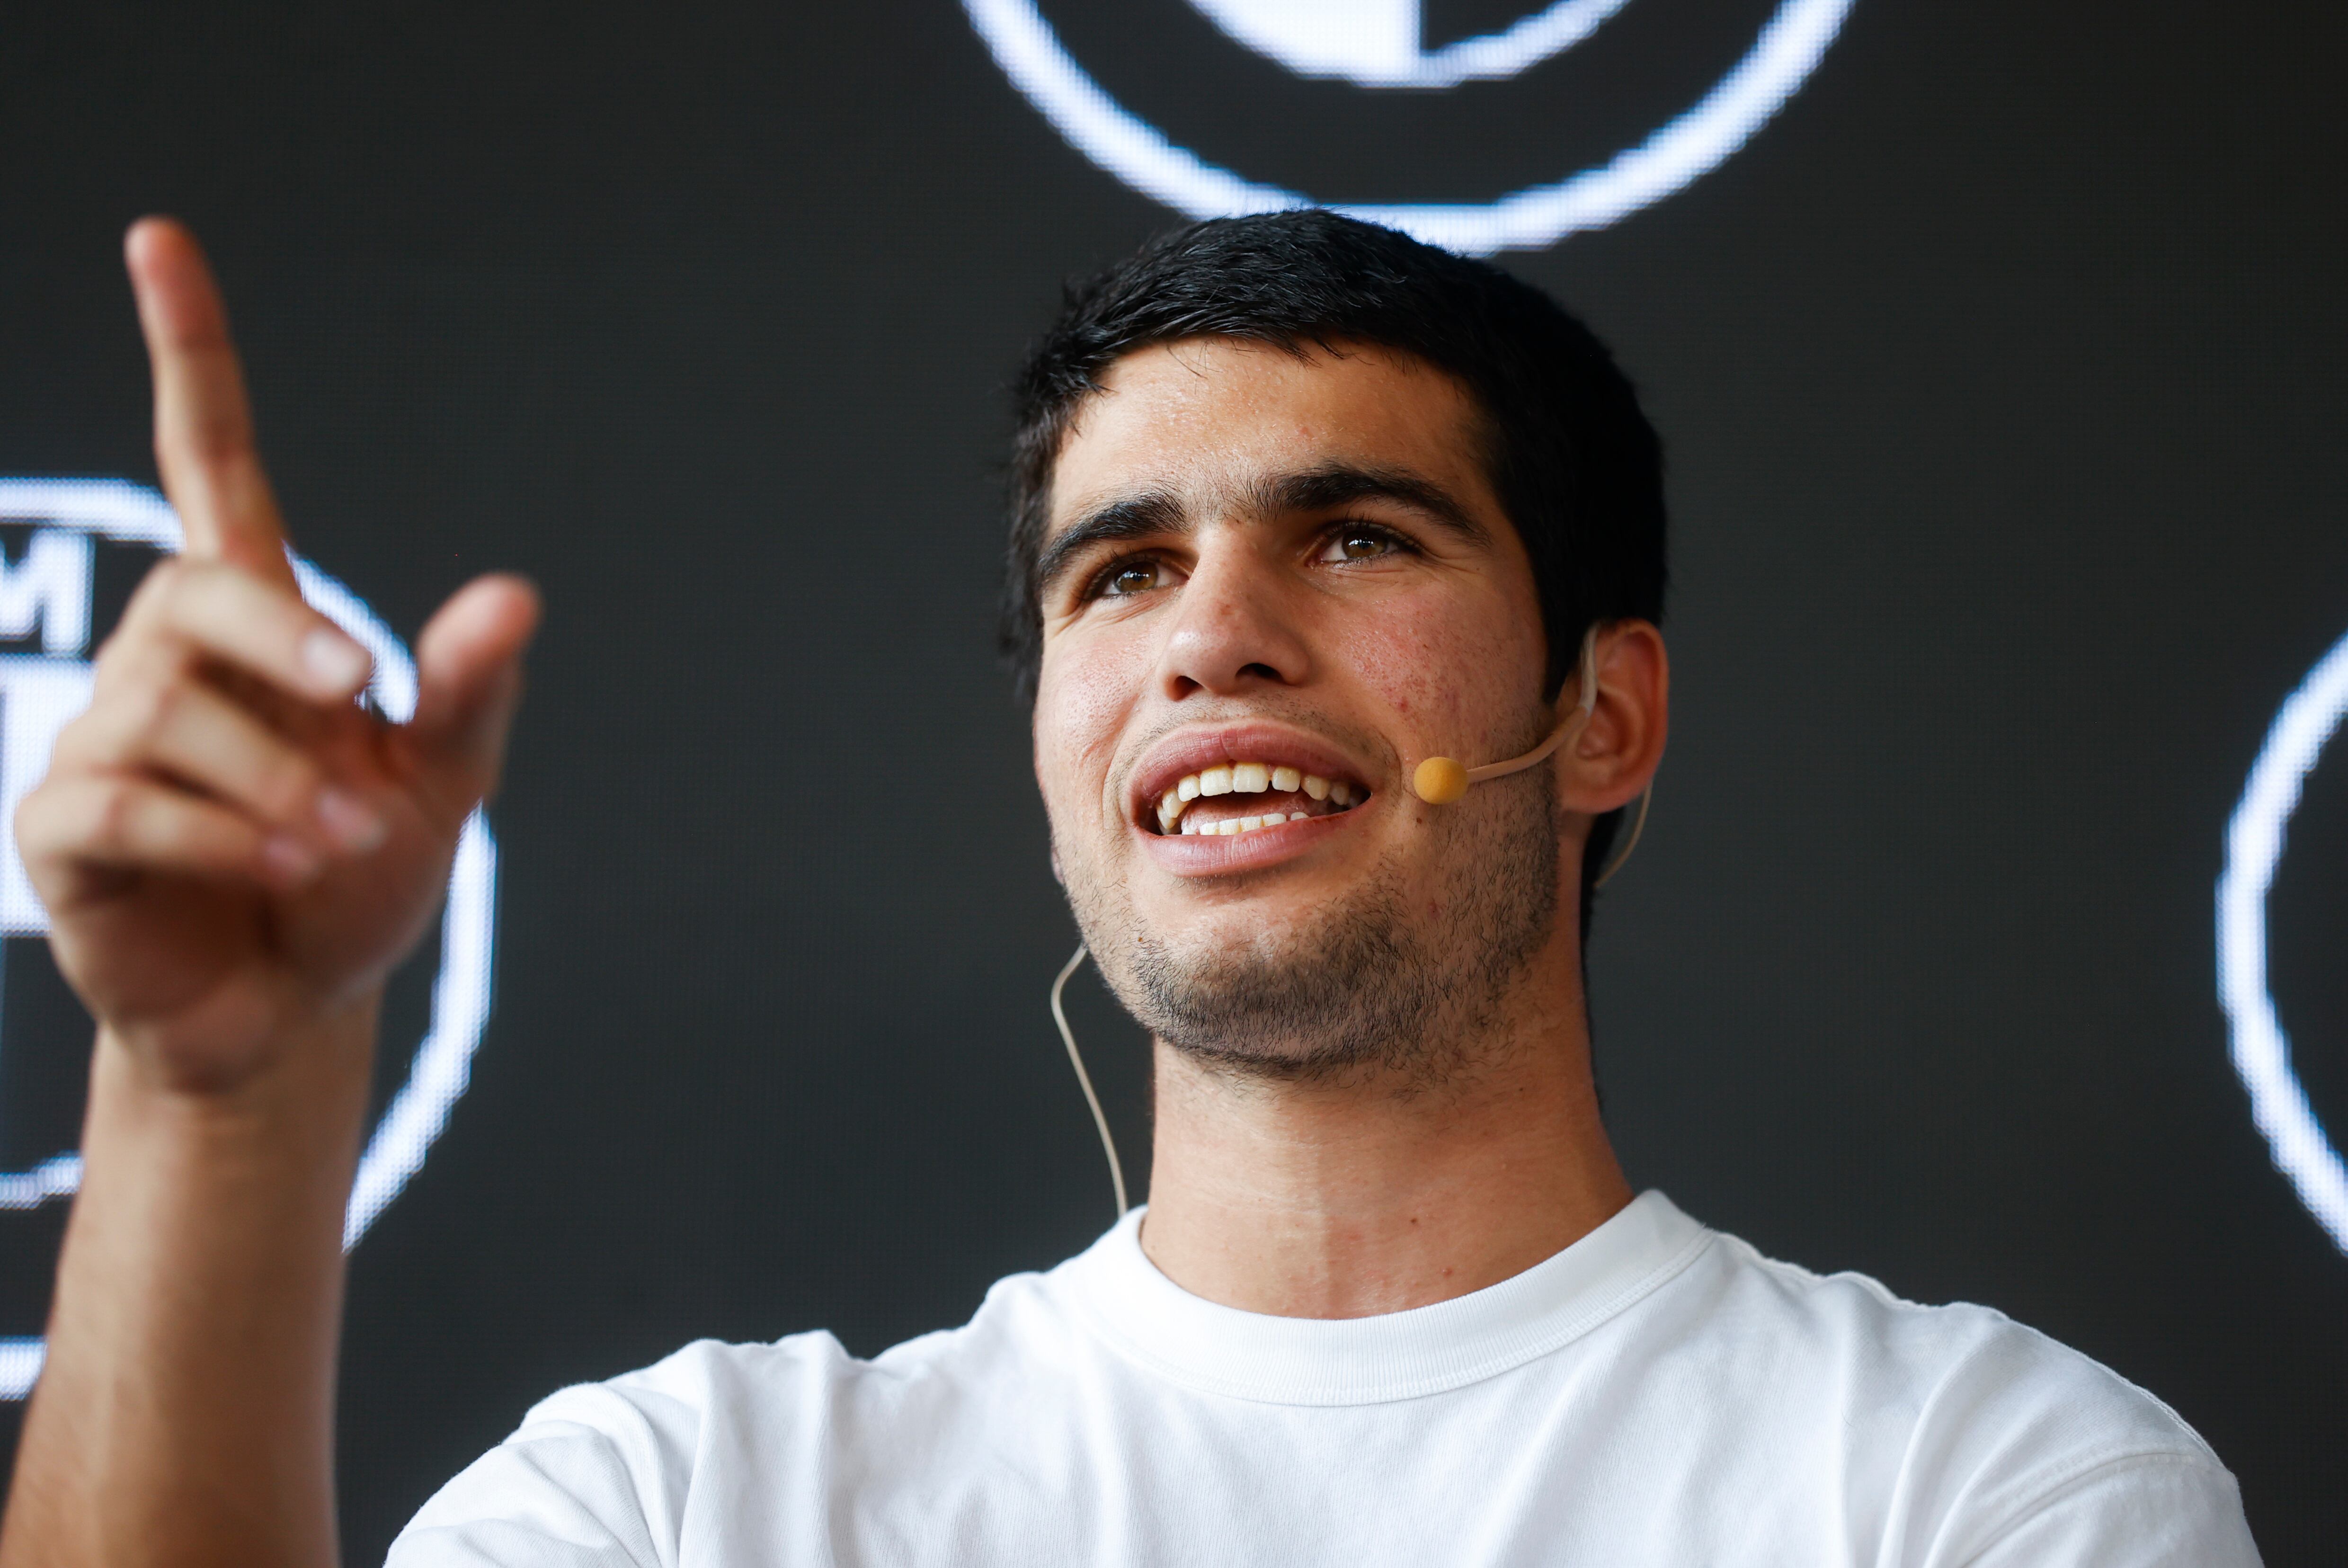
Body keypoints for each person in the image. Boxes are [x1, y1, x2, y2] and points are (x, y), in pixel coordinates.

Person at [0, 212, 2259, 1568]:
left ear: (1607, 716)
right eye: (1124, 570)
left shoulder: (1985, 1490)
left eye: (1356, 536)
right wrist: (225, 1096)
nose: (1211, 631)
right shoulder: (700, 1503)